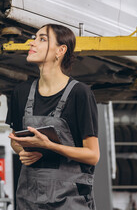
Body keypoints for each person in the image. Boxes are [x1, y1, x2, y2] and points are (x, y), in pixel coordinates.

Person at [6, 24, 100, 209]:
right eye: (35, 37)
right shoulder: (21, 92)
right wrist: (23, 151)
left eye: (42, 39)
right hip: (28, 197)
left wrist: (49, 146)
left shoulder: (80, 93)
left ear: (61, 50)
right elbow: (15, 140)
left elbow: (92, 155)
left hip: (70, 199)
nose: (32, 43)